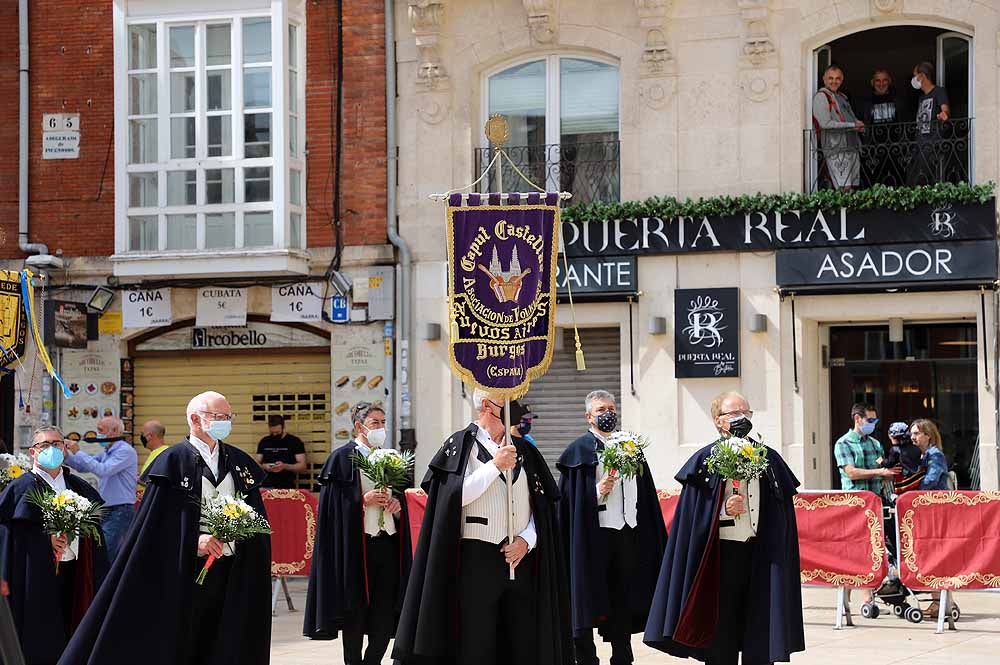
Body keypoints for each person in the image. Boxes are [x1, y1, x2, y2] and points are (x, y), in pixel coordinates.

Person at [58, 391, 271, 665]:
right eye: (219, 417)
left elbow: (256, 517)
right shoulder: (172, 461)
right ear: (195, 419)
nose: (225, 422)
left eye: (229, 417)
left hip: (233, 570)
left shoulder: (240, 462)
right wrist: (194, 540)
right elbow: (154, 527)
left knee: (227, 638)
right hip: (184, 571)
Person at [392, 388, 572, 665]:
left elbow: (542, 504)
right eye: (507, 401)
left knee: (522, 640)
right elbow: (450, 499)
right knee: (477, 641)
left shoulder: (525, 449)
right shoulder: (460, 444)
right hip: (476, 558)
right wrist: (494, 467)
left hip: (520, 559)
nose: (516, 407)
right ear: (488, 406)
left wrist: (528, 539)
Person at [643, 392, 804, 665]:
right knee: (721, 635)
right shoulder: (706, 460)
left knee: (761, 630)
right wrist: (722, 509)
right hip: (719, 558)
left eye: (746, 412)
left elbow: (781, 512)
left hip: (761, 555)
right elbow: (693, 516)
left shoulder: (769, 459)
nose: (742, 418)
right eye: (734, 413)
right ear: (719, 421)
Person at [557, 390, 666, 665]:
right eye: (601, 409)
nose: (608, 414)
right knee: (585, 595)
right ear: (588, 416)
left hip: (626, 534)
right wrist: (596, 491)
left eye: (611, 408)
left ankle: (622, 656)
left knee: (622, 596)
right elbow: (568, 500)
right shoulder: (578, 451)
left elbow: (645, 493)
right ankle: (585, 656)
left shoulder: (630, 447)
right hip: (592, 537)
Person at [304, 402, 412, 665]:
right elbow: (331, 506)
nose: (381, 428)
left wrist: (398, 507)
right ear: (359, 426)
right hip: (356, 546)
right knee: (355, 611)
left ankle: (372, 661)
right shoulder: (341, 459)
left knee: (385, 611)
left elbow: (402, 498)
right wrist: (361, 500)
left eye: (384, 422)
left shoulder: (391, 458)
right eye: (375, 423)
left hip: (388, 544)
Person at [0, 426, 107, 665]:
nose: (51, 449)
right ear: (32, 452)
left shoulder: (79, 487)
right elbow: (12, 535)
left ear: (65, 448)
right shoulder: (20, 488)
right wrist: (44, 540)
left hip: (76, 573)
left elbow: (95, 531)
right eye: (44, 445)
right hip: (35, 575)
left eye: (57, 444)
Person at [835, 403, 899, 607]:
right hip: (855, 506)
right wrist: (880, 473)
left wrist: (891, 479)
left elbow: (883, 470)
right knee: (853, 552)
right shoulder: (843, 444)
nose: (873, 424)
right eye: (870, 420)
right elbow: (851, 472)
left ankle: (871, 596)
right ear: (857, 418)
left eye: (875, 421)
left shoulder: (874, 443)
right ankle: (848, 600)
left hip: (877, 505)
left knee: (874, 549)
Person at [63, 417, 138, 562]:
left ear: (115, 431)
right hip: (108, 509)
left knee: (105, 553)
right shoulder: (108, 452)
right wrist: (67, 456)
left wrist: (78, 451)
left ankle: (107, 584)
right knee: (104, 551)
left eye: (101, 430)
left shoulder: (125, 451)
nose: (98, 434)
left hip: (120, 510)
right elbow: (84, 467)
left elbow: (103, 470)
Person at [813, 65, 865, 191]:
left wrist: (859, 125)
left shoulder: (842, 97)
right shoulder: (821, 96)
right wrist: (853, 126)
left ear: (842, 80)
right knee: (844, 189)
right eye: (830, 78)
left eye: (837, 78)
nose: (834, 81)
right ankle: (845, 211)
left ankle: (851, 211)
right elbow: (825, 124)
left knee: (852, 188)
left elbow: (851, 118)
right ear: (824, 79)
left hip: (852, 146)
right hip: (837, 149)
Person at [857, 69, 906, 186]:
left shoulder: (898, 100)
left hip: (895, 148)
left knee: (898, 181)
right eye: (878, 80)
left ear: (889, 82)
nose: (881, 83)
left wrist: (903, 144)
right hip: (873, 150)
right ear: (872, 83)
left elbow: (905, 122)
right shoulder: (866, 102)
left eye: (884, 80)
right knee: (874, 183)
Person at [907, 61, 951, 185]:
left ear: (921, 76)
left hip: (932, 143)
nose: (914, 79)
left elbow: (945, 109)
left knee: (925, 178)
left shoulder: (939, 91)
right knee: (913, 176)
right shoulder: (921, 97)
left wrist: (944, 115)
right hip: (920, 143)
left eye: (915, 75)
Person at [255, 415, 307, 489]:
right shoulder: (264, 441)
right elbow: (256, 463)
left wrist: (284, 466)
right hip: (267, 485)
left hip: (287, 486)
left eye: (277, 432)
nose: (275, 435)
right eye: (272, 433)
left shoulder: (294, 442)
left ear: (283, 427)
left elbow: (302, 466)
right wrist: (265, 466)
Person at [911, 419, 949, 491]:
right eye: (911, 434)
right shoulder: (918, 455)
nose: (912, 437)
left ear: (928, 435)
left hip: (936, 499)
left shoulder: (935, 454)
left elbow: (931, 480)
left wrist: (911, 490)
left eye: (916, 433)